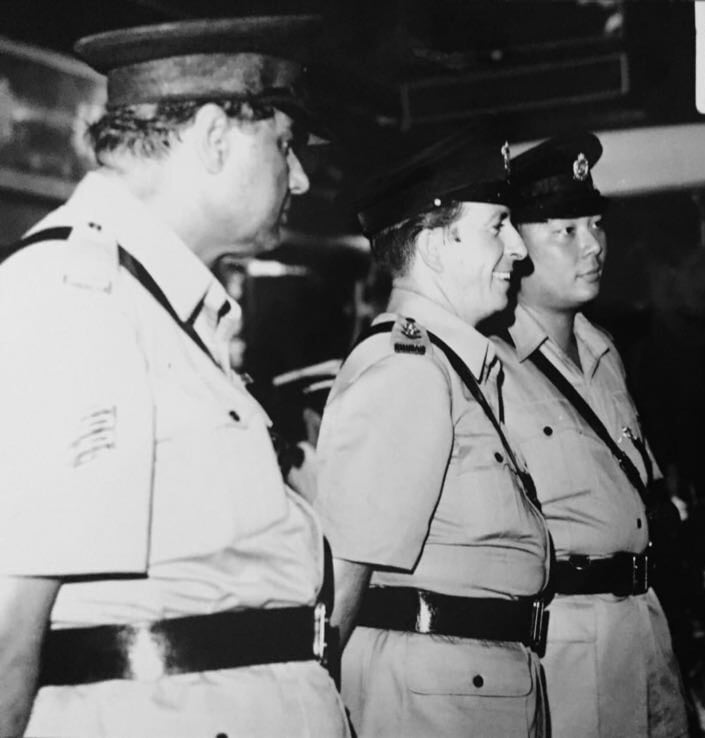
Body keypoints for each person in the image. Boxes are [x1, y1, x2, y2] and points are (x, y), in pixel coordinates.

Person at [0, 16, 349, 737]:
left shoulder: (156, 308)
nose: (304, 177)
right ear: (217, 135)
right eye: (286, 145)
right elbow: (6, 625)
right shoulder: (76, 298)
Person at [314, 128, 551, 737]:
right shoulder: (409, 373)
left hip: (470, 692)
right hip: (435, 705)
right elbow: (342, 579)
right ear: (435, 243)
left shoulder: (451, 367)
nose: (519, 249)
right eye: (497, 224)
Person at [491, 132, 695, 737]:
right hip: (565, 645)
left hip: (642, 626)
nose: (594, 246)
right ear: (514, 244)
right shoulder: (490, 364)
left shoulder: (603, 351)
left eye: (595, 225)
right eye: (566, 232)